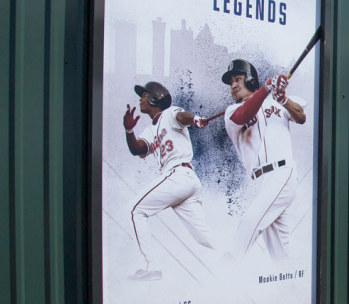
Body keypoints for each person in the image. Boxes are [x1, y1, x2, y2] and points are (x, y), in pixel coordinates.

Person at [123, 81, 217, 280]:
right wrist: (129, 131)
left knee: (136, 210)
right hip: (185, 182)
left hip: (179, 175)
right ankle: (236, 257)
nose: (141, 98)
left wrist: (196, 119)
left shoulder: (168, 113)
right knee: (204, 236)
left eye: (144, 94)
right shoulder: (151, 130)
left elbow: (182, 117)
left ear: (155, 97)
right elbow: (138, 149)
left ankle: (152, 267)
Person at [221, 59, 306, 260]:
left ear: (250, 80)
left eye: (238, 79)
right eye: (231, 81)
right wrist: (267, 87)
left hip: (282, 173)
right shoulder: (231, 112)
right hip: (261, 181)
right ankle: (288, 286)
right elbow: (244, 114)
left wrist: (283, 99)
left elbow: (301, 117)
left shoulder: (276, 100)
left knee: (250, 221)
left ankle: (224, 271)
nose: (233, 85)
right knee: (279, 250)